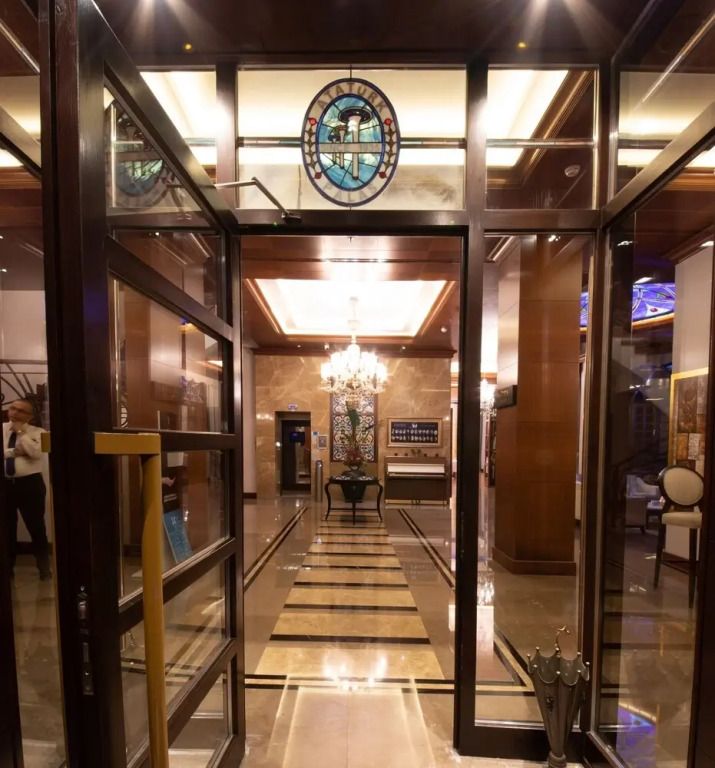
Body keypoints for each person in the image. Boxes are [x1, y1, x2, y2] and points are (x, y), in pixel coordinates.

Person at [3, 398, 51, 580]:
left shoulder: (38, 432)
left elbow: (36, 453)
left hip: (30, 484)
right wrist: (15, 452)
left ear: (30, 416)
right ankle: (7, 568)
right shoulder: (2, 429)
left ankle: (44, 568)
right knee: (6, 528)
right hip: (5, 485)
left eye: (21, 410)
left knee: (36, 526)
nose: (15, 412)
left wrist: (21, 433)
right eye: (13, 408)